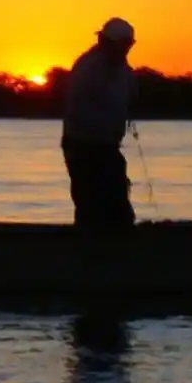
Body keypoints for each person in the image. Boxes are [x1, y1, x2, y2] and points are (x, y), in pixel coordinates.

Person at [61, 17, 138, 228]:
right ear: (106, 42)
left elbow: (130, 93)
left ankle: (115, 238)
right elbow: (79, 109)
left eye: (129, 44)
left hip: (107, 145)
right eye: (123, 44)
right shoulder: (88, 68)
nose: (126, 49)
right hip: (83, 145)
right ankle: (91, 241)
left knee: (117, 203)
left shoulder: (121, 67)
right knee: (91, 203)